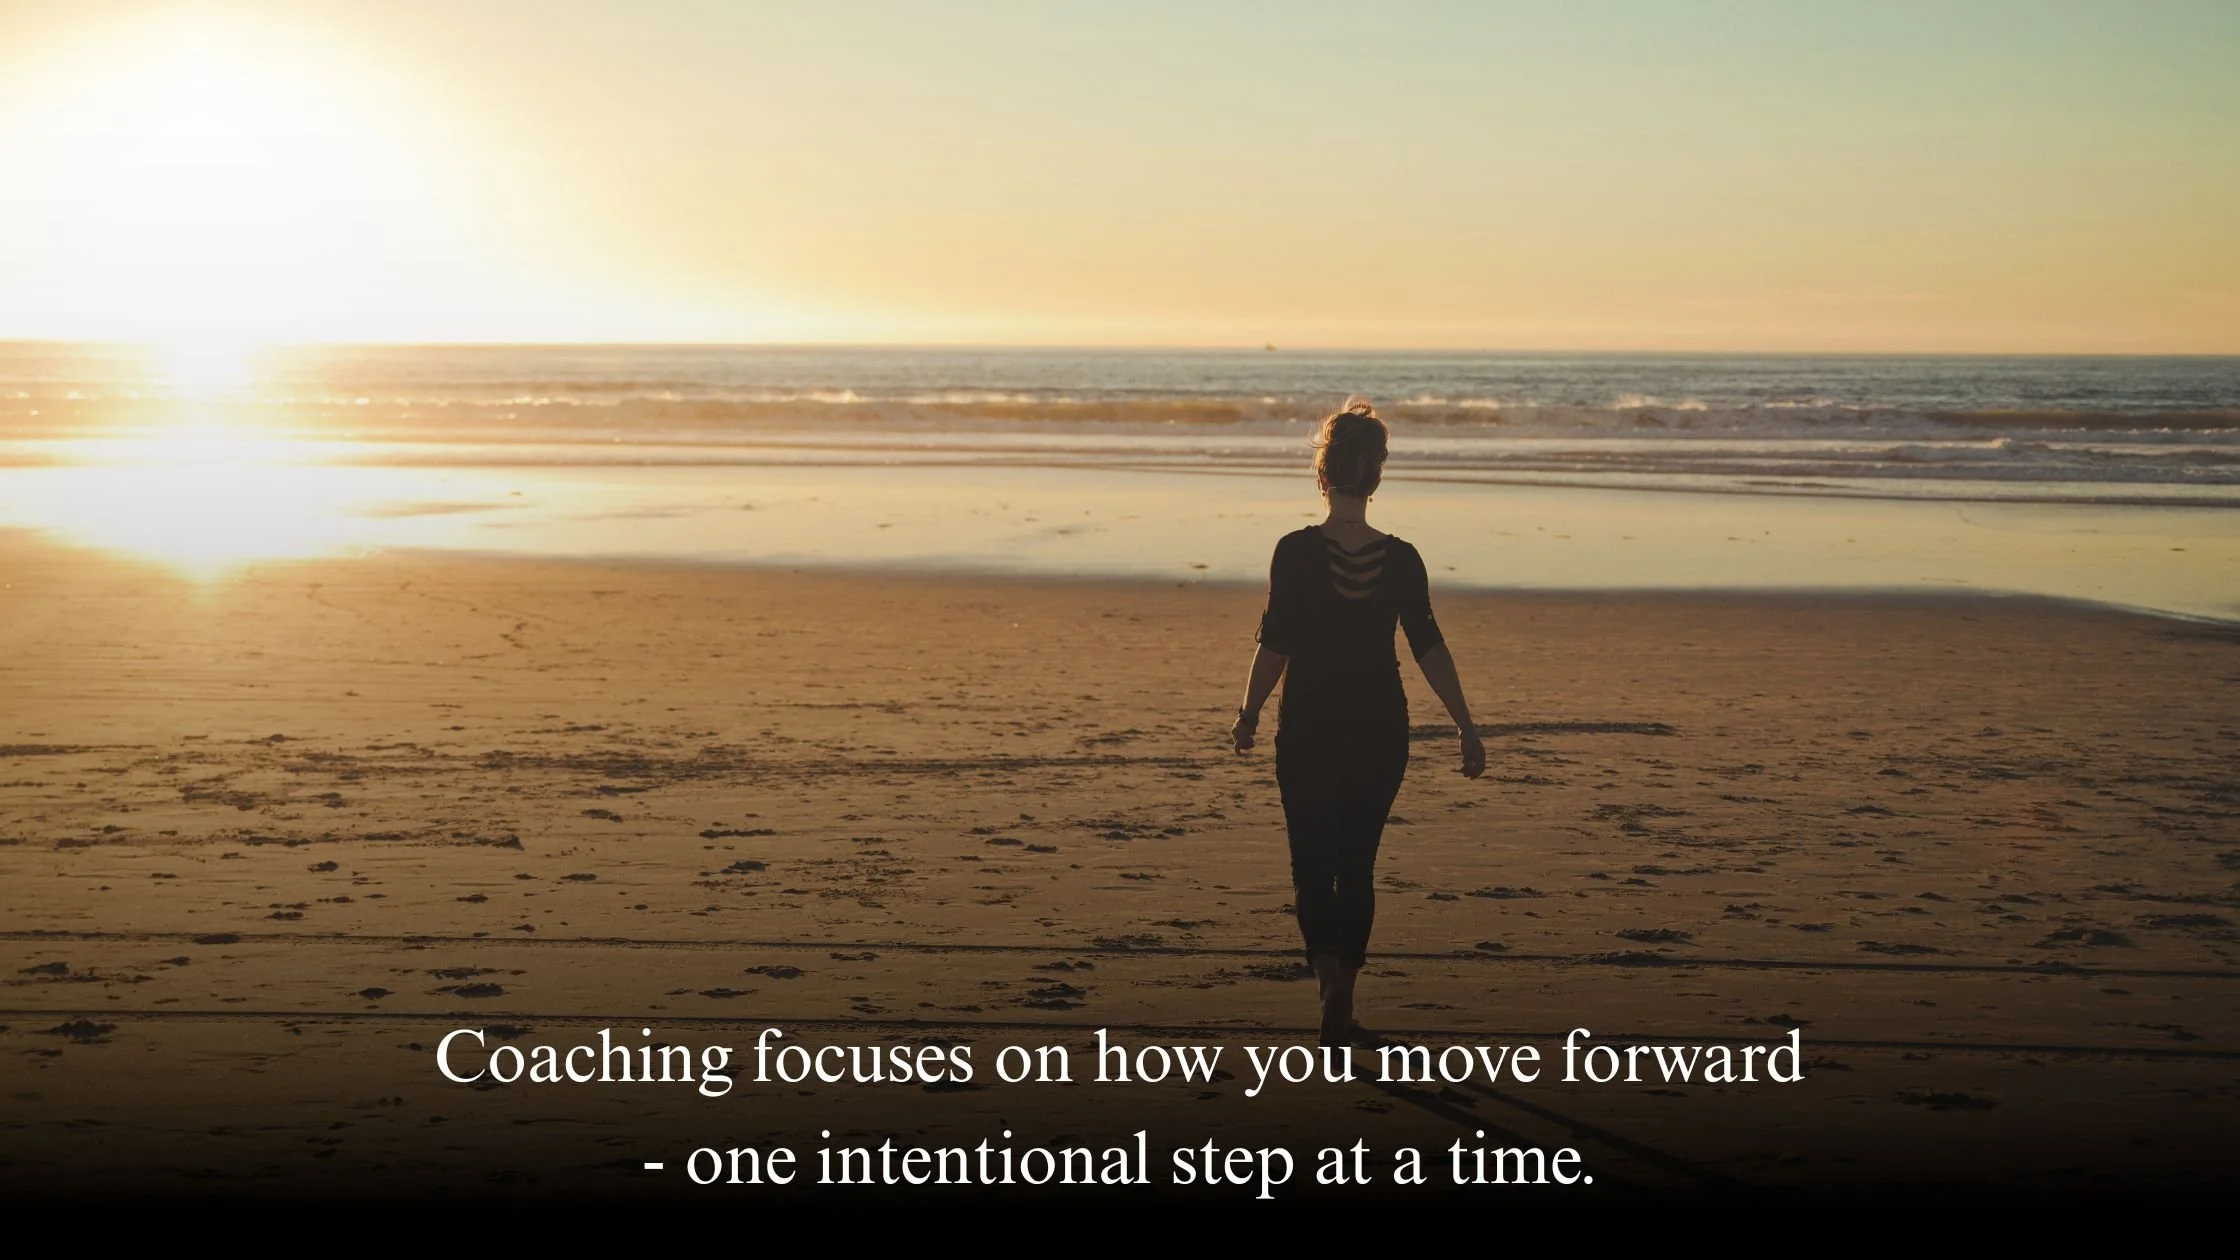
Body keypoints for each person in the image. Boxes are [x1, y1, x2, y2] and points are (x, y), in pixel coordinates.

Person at [1229, 399, 1486, 1047]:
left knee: (1312, 863)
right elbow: (1429, 647)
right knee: (1358, 863)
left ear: (1322, 473)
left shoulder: (1293, 553)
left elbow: (1275, 644)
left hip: (1308, 725)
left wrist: (1248, 712)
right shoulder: (1403, 559)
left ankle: (1326, 980)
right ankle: (1346, 981)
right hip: (1380, 726)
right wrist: (1465, 724)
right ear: (1376, 477)